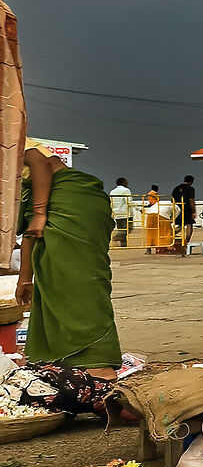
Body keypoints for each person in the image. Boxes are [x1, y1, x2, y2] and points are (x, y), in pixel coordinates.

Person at [15, 144, 122, 369]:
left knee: (78, 283)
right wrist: (25, 280)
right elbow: (30, 233)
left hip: (72, 203)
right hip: (56, 206)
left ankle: (96, 362)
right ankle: (62, 359)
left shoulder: (9, 134)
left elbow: (40, 163)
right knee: (50, 281)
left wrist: (39, 213)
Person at [109, 177, 133, 247]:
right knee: (128, 228)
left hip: (116, 213)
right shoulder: (126, 190)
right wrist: (138, 208)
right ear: (123, 182)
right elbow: (129, 202)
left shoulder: (112, 191)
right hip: (125, 213)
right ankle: (116, 237)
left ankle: (123, 244)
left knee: (121, 228)